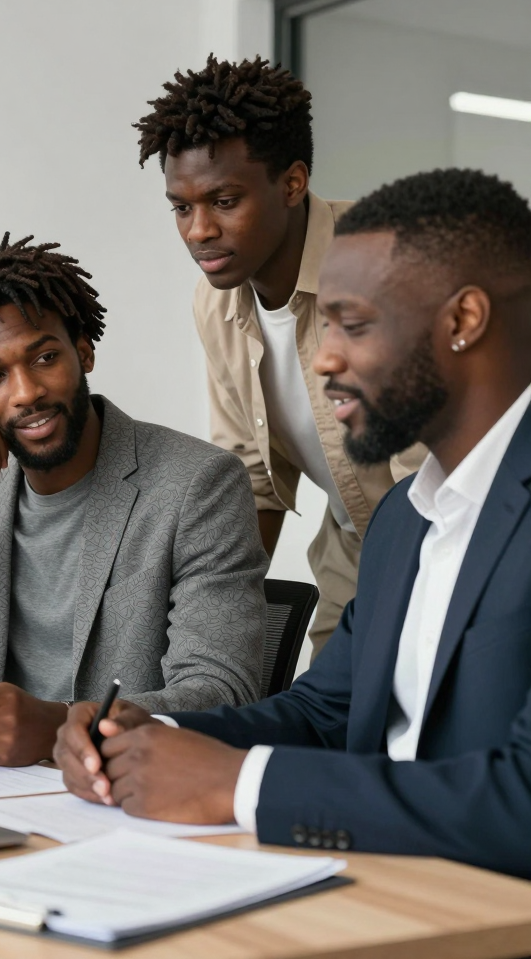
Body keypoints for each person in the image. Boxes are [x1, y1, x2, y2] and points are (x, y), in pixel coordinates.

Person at [54, 169, 531, 879]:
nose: (326, 359)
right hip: (383, 894)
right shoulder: (405, 520)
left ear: (462, 321)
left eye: (355, 324)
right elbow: (323, 714)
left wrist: (238, 785)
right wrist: (152, 735)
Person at [0, 233, 267, 766]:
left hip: (125, 790)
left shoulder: (198, 486)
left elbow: (220, 692)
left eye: (44, 357)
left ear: (84, 351)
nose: (25, 392)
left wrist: (58, 726)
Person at [134, 55, 423, 654]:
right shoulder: (216, 305)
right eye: (181, 207)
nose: (198, 231)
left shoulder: (385, 273)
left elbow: (429, 481)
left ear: (292, 183)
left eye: (224, 201)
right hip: (355, 543)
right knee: (324, 721)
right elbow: (249, 480)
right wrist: (207, 627)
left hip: (456, 542)